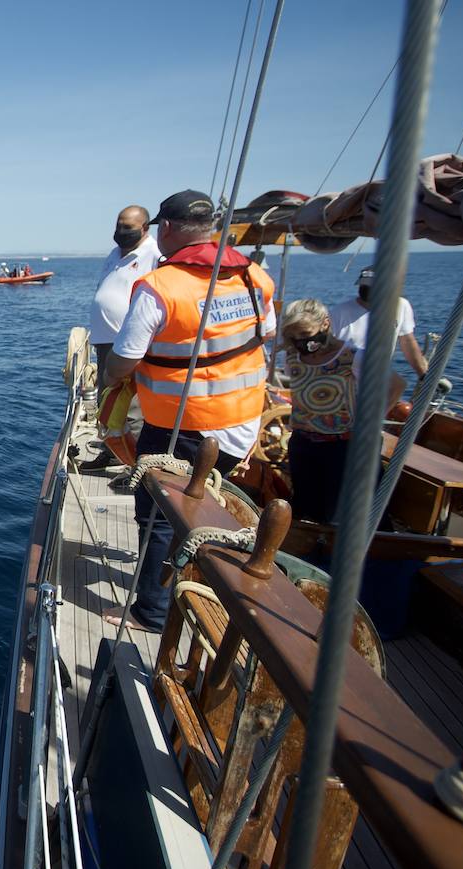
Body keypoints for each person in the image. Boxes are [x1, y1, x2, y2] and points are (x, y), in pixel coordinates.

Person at [104, 189, 276, 631]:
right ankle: (189, 588)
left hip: (184, 426)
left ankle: (153, 612)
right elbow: (266, 331)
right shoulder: (253, 275)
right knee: (198, 508)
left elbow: (123, 359)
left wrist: (113, 377)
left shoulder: (161, 286)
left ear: (165, 229)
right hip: (241, 423)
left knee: (160, 516)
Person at [280, 298, 405, 524]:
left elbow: (396, 385)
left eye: (305, 332)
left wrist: (373, 422)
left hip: (343, 446)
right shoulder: (292, 357)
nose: (301, 340)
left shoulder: (354, 357)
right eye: (294, 335)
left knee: (343, 515)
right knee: (307, 509)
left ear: (325, 324)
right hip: (304, 444)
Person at [83, 206, 162, 470]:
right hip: (106, 343)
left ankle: (138, 468)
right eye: (119, 226)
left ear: (145, 228)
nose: (121, 232)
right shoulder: (114, 254)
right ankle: (109, 452)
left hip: (132, 345)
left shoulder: (155, 254)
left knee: (133, 409)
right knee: (107, 402)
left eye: (128, 227)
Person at [328, 265, 429, 380]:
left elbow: (407, 341)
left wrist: (424, 375)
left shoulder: (401, 306)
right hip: (342, 380)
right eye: (364, 285)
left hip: (376, 379)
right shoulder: (338, 313)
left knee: (398, 386)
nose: (366, 289)